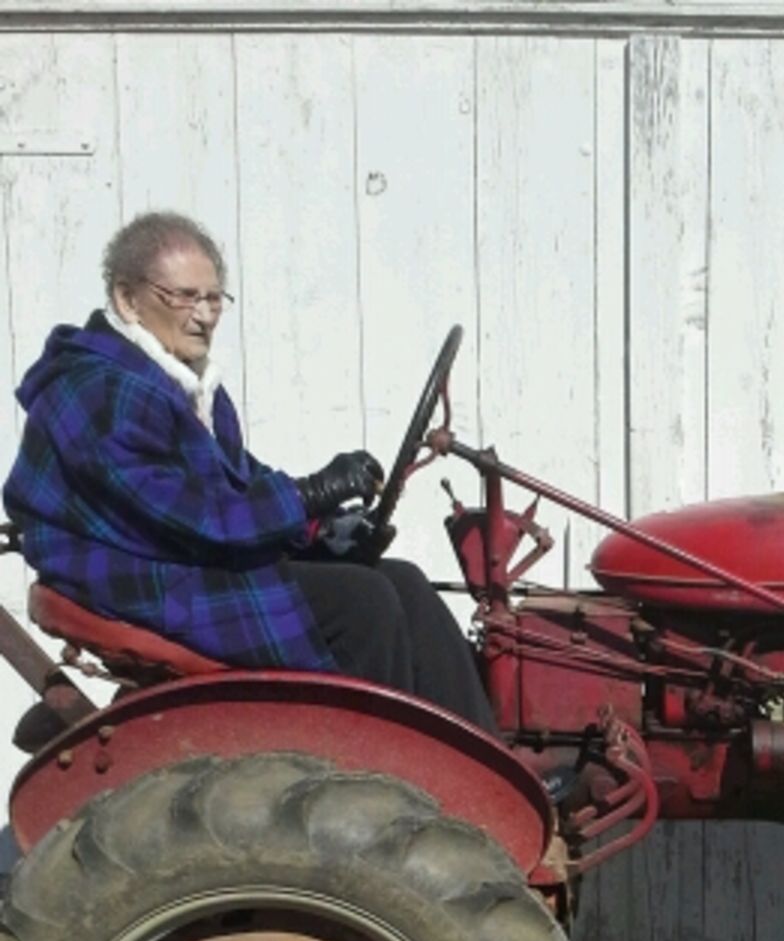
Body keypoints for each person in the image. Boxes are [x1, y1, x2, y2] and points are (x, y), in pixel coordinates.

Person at [2, 209, 495, 730]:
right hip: (131, 572)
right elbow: (186, 513)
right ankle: (391, 772)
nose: (205, 315)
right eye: (185, 296)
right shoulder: (101, 390)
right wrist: (308, 494)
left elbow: (234, 482)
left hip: (168, 553)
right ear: (128, 300)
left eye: (213, 297)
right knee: (363, 603)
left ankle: (491, 771)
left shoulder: (174, 383)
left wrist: (320, 526)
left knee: (404, 582)